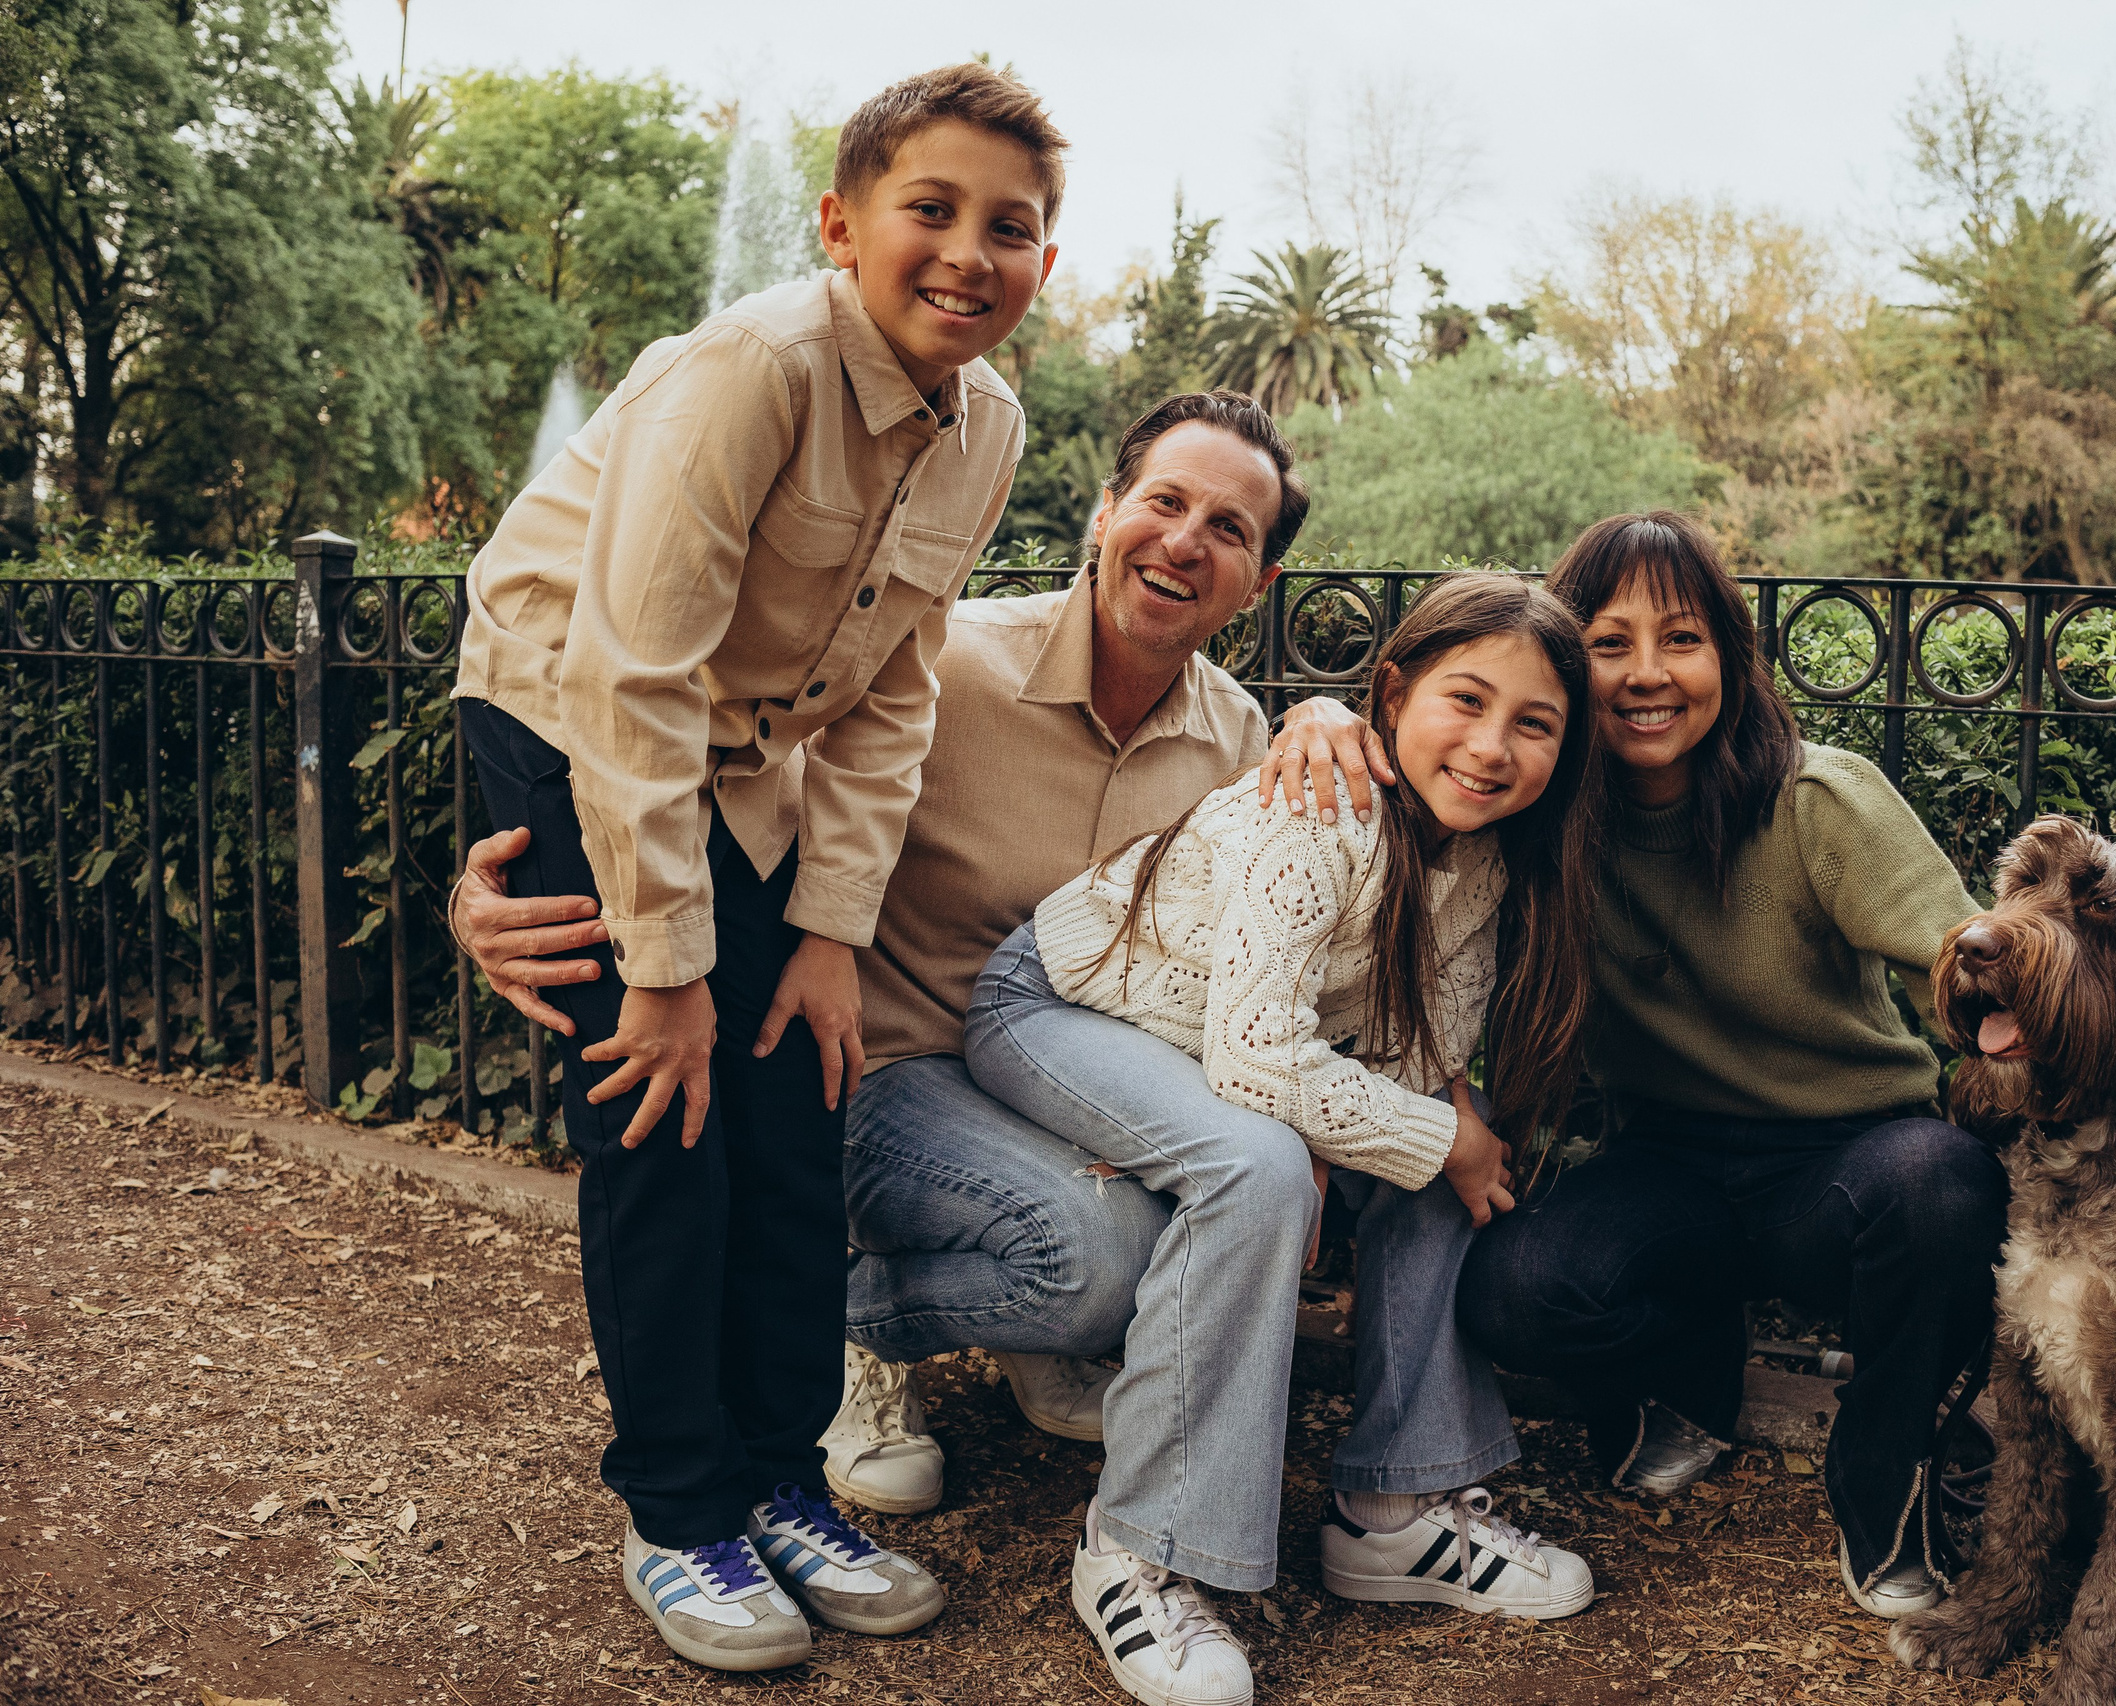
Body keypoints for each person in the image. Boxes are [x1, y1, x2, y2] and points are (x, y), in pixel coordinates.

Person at [447, 63, 1062, 1673]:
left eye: (1012, 226)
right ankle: (676, 1506)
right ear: (841, 221)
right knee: (666, 1112)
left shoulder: (987, 423)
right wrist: (663, 972)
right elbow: (628, 679)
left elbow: (894, 682)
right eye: (931, 209)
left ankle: (785, 1476)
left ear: (1045, 264)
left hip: (751, 753)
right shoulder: (752, 371)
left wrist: (826, 935)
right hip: (565, 693)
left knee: (796, 1103)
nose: (968, 253)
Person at [448, 392, 1310, 1510]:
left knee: (1164, 1232)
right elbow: (726, 800)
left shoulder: (1240, 741)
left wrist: (1325, 718)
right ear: (1104, 514)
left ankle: (1030, 1314)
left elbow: (1314, 907)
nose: (1185, 541)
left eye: (1230, 529)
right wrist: (489, 892)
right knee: (1096, 1256)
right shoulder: (949, 670)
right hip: (873, 1077)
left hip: (1070, 1104)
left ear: (1260, 584)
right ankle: (848, 1325)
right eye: (1164, 501)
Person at [1264, 512, 1999, 1624]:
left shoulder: (1817, 800)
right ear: (1569, 666)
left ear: (1729, 659)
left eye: (1682, 639)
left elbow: (1963, 968)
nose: (1647, 674)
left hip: (1845, 1161)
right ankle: (1689, 1384)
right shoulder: (1537, 816)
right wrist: (1320, 712)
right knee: (1515, 1285)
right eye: (1608, 644)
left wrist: (2051, 1031)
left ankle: (1885, 1477)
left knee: (1945, 1185)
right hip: (1666, 1163)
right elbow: (1408, 770)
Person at [965, 574, 1605, 1706]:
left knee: (1450, 1139)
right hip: (1065, 1007)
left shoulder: (1484, 864)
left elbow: (1417, 1063)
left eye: (1534, 723)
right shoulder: (1319, 810)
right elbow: (1259, 1059)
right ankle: (1137, 1549)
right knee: (1272, 1162)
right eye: (1466, 699)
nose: (1492, 745)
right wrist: (1334, 1124)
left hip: (1211, 1049)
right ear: (1393, 691)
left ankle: (1396, 1509)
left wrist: (1417, 1132)